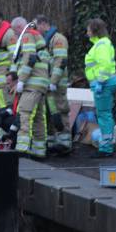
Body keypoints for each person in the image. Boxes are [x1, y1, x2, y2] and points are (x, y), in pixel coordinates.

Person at [9, 16, 51, 158]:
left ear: (20, 27)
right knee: (39, 117)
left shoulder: (27, 35)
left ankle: (22, 148)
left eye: (15, 32)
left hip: (32, 83)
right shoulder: (37, 35)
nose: (15, 35)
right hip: (42, 82)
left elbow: (29, 58)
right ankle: (39, 150)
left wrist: (21, 80)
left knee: (24, 113)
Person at [35, 14, 71, 155]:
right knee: (49, 114)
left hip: (56, 84)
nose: (36, 30)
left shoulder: (58, 39)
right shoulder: (44, 40)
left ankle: (64, 142)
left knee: (60, 110)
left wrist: (54, 81)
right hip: (47, 83)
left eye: (37, 26)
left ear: (44, 24)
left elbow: (60, 61)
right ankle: (51, 142)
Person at [84, 18, 116, 158]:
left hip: (103, 84)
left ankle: (106, 147)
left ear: (94, 30)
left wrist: (99, 82)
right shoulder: (102, 44)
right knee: (105, 114)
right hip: (105, 83)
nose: (87, 32)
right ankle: (106, 145)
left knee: (104, 115)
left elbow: (104, 66)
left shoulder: (101, 45)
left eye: (88, 29)